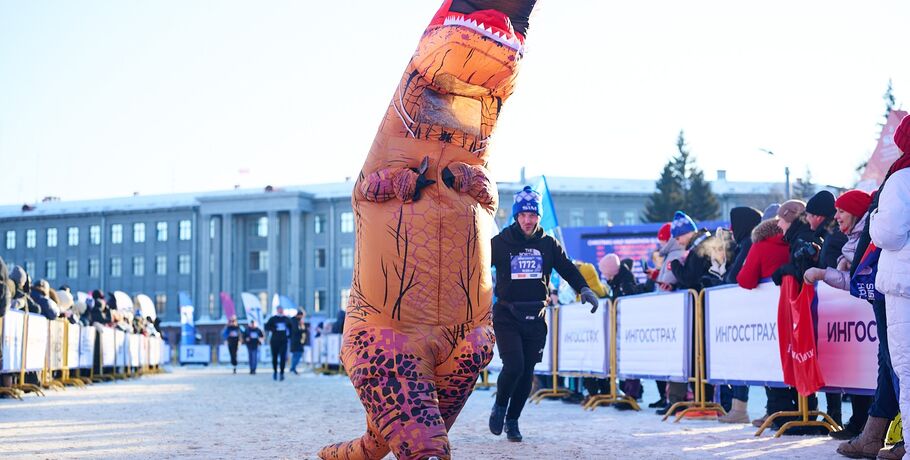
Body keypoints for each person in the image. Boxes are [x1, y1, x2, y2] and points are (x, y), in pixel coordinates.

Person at [489, 185, 599, 442]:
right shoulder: (502, 242)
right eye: (523, 215)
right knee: (513, 366)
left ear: (539, 216)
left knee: (527, 373)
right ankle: (500, 406)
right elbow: (477, 266)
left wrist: (585, 288)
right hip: (507, 314)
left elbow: (567, 268)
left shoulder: (548, 243)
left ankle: (513, 421)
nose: (528, 220)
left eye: (533, 215)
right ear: (516, 216)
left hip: (536, 315)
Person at [803, 190, 875, 440]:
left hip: (874, 311)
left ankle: (870, 427)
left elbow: (855, 279)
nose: (836, 216)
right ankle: (862, 425)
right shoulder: (853, 236)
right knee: (862, 372)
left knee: (876, 371)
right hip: (864, 314)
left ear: (855, 212)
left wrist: (823, 273)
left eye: (841, 211)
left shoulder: (867, 234)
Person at [870, 113, 910, 460]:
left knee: (908, 369)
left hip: (905, 287)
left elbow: (891, 233)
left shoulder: (901, 180)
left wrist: (872, 220)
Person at [264, 306, 295, 381]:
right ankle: (275, 372)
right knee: (274, 358)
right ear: (277, 310)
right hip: (274, 340)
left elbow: (292, 328)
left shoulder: (286, 319)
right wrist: (274, 328)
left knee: (282, 358)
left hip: (283, 341)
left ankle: (281, 373)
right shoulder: (273, 319)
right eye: (279, 310)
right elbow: (266, 327)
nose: (280, 311)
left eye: (281, 310)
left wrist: (289, 336)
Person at [289, 310, 309, 375]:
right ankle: (293, 368)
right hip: (296, 341)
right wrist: (305, 330)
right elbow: (296, 330)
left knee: (296, 354)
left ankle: (293, 368)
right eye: (302, 316)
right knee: (298, 354)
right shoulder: (294, 321)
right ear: (299, 315)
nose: (302, 317)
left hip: (297, 340)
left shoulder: (296, 321)